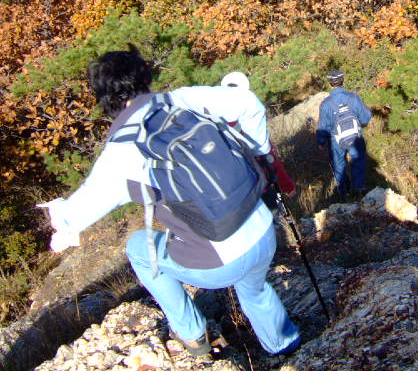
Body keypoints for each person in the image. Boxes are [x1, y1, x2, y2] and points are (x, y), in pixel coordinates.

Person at [37, 48, 301, 358]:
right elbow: (249, 104)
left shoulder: (122, 148)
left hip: (220, 263)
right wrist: (258, 150)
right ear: (143, 76)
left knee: (139, 248)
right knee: (254, 287)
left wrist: (58, 219)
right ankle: (284, 342)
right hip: (263, 230)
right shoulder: (182, 99)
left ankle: (193, 334)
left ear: (105, 98)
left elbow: (76, 214)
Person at [220, 71, 297, 203]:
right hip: (261, 186)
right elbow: (269, 158)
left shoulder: (215, 121)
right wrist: (287, 186)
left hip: (234, 195)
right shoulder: (250, 121)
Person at [316, 69, 372, 198]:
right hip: (355, 136)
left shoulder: (325, 104)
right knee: (358, 160)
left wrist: (321, 142)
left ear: (330, 84)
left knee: (338, 165)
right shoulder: (354, 98)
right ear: (343, 80)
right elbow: (365, 118)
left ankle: (344, 192)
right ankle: (359, 190)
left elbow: (323, 126)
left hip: (336, 139)